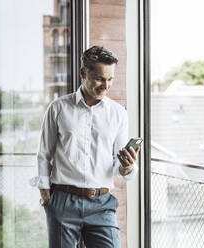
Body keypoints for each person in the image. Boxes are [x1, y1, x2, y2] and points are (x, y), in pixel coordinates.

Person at [30, 46, 140, 248]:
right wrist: (47, 198)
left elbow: (120, 167)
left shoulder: (118, 114)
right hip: (62, 201)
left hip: (102, 204)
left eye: (110, 79)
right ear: (83, 73)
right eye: (99, 78)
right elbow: (44, 155)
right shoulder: (58, 108)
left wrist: (127, 166)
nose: (105, 85)